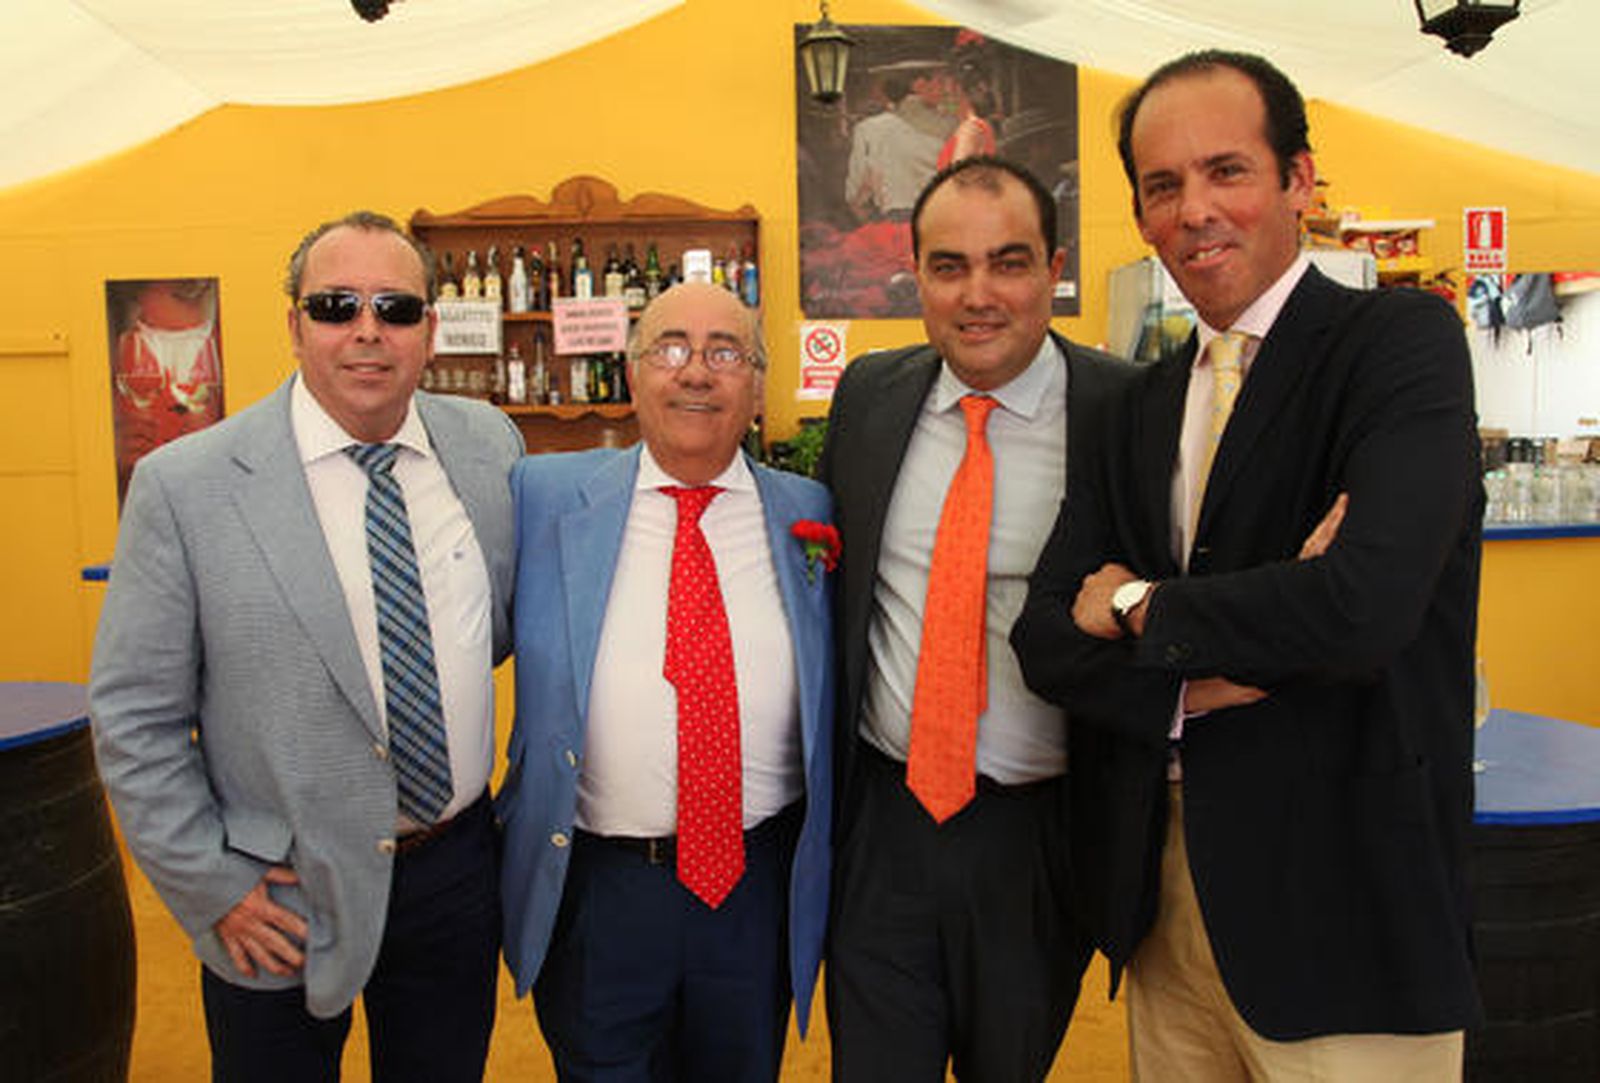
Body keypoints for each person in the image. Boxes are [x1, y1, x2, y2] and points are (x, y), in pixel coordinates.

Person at [1011, 50, 1483, 1082]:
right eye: (1162, 185)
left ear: (1300, 181)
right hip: (1165, 909)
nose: (1194, 210)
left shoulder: (1397, 346)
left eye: (1226, 170)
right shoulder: (1135, 407)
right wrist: (1213, 679)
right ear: (1138, 214)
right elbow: (1044, 637)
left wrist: (1138, 603)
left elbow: (1363, 607)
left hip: (1347, 912)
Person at [90, 210, 523, 1082]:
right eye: (335, 304)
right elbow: (135, 717)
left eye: (396, 308)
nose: (367, 329)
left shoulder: (487, 448)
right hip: (274, 889)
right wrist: (211, 884)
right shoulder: (188, 485)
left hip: (453, 874)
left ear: (430, 330)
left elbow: (500, 630)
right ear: (293, 324)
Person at [818, 155, 1129, 1081]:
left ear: (1053, 269)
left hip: (1040, 839)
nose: (978, 293)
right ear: (916, 275)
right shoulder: (870, 396)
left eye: (1010, 261)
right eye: (949, 265)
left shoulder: (1126, 410)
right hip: (884, 821)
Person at [497, 281, 834, 1081]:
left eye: (726, 352)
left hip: (756, 891)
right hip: (602, 889)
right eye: (671, 348)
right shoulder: (540, 497)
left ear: (757, 383)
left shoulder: (810, 512)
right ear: (634, 369)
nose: (697, 372)